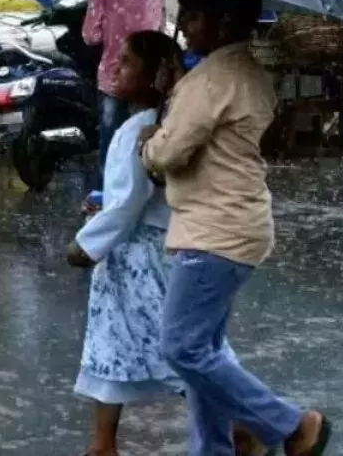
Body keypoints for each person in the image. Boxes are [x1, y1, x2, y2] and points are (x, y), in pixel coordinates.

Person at [140, 0, 331, 456]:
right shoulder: (245, 71)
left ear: (223, 22)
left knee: (182, 348)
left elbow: (168, 153)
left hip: (215, 231)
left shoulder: (210, 80)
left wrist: (150, 137)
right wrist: (175, 93)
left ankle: (289, 425)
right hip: (235, 222)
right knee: (205, 349)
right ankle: (215, 448)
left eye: (193, 15)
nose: (183, 25)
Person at [67, 32, 270, 456]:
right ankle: (103, 442)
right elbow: (129, 196)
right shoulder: (148, 126)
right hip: (130, 259)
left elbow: (128, 207)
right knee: (113, 346)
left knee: (182, 354)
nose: (115, 67)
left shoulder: (144, 131)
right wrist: (103, 205)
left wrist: (86, 245)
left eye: (127, 62)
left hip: (145, 258)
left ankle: (246, 425)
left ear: (157, 75)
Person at [82, 0, 164, 191]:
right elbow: (160, 29)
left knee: (111, 148)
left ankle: (105, 198)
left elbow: (91, 36)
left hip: (113, 77)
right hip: (148, 80)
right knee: (145, 143)